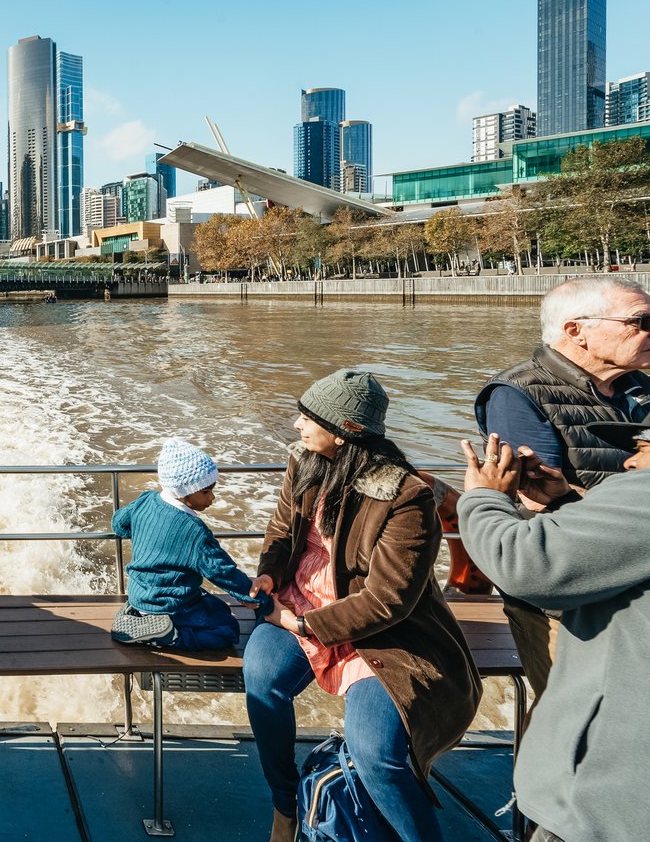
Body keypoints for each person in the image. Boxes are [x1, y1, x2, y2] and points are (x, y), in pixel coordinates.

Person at [245, 369, 481, 842]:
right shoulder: (303, 462)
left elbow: (388, 599)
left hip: (384, 632)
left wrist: (302, 624)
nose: (296, 425)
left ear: (345, 430)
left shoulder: (405, 496)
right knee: (261, 678)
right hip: (300, 601)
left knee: (376, 754)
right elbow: (281, 533)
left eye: (308, 417)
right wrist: (271, 572)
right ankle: (285, 804)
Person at [459, 426, 650, 842]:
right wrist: (565, 502)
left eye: (643, 448)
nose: (629, 463)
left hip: (606, 804)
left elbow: (522, 563)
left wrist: (483, 497)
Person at [474, 275, 650, 700]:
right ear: (577, 331)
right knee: (572, 711)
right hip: (567, 596)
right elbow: (540, 505)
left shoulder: (639, 386)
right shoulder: (518, 393)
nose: (649, 332)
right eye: (641, 321)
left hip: (637, 584)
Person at [110, 438, 268, 648]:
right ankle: (171, 636)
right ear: (184, 491)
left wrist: (148, 534)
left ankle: (141, 616)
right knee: (228, 628)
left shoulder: (145, 500)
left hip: (139, 594)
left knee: (217, 608)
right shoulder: (194, 531)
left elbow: (118, 525)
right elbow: (221, 571)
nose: (212, 497)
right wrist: (252, 594)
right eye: (205, 491)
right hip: (172, 603)